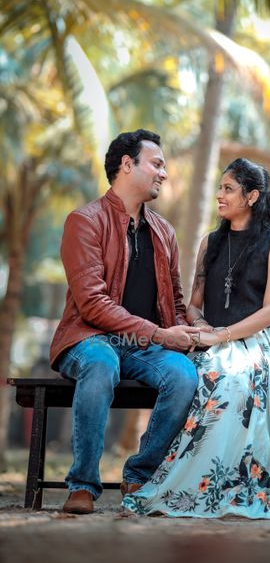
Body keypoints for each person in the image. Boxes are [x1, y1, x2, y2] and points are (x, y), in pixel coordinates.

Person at [122, 158, 270, 520]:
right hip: (208, 336)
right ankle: (180, 482)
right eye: (220, 188)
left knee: (236, 381)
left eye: (228, 189)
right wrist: (201, 328)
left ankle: (236, 485)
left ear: (252, 196)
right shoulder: (209, 243)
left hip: (258, 341)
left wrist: (222, 336)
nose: (219, 195)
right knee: (194, 377)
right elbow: (193, 305)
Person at [50, 129, 200, 514]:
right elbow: (92, 304)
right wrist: (160, 334)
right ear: (127, 165)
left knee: (184, 375)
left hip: (143, 347)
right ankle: (83, 485)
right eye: (156, 164)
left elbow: (175, 301)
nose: (164, 173)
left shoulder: (164, 231)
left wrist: (189, 332)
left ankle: (139, 474)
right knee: (101, 363)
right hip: (88, 339)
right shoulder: (84, 221)